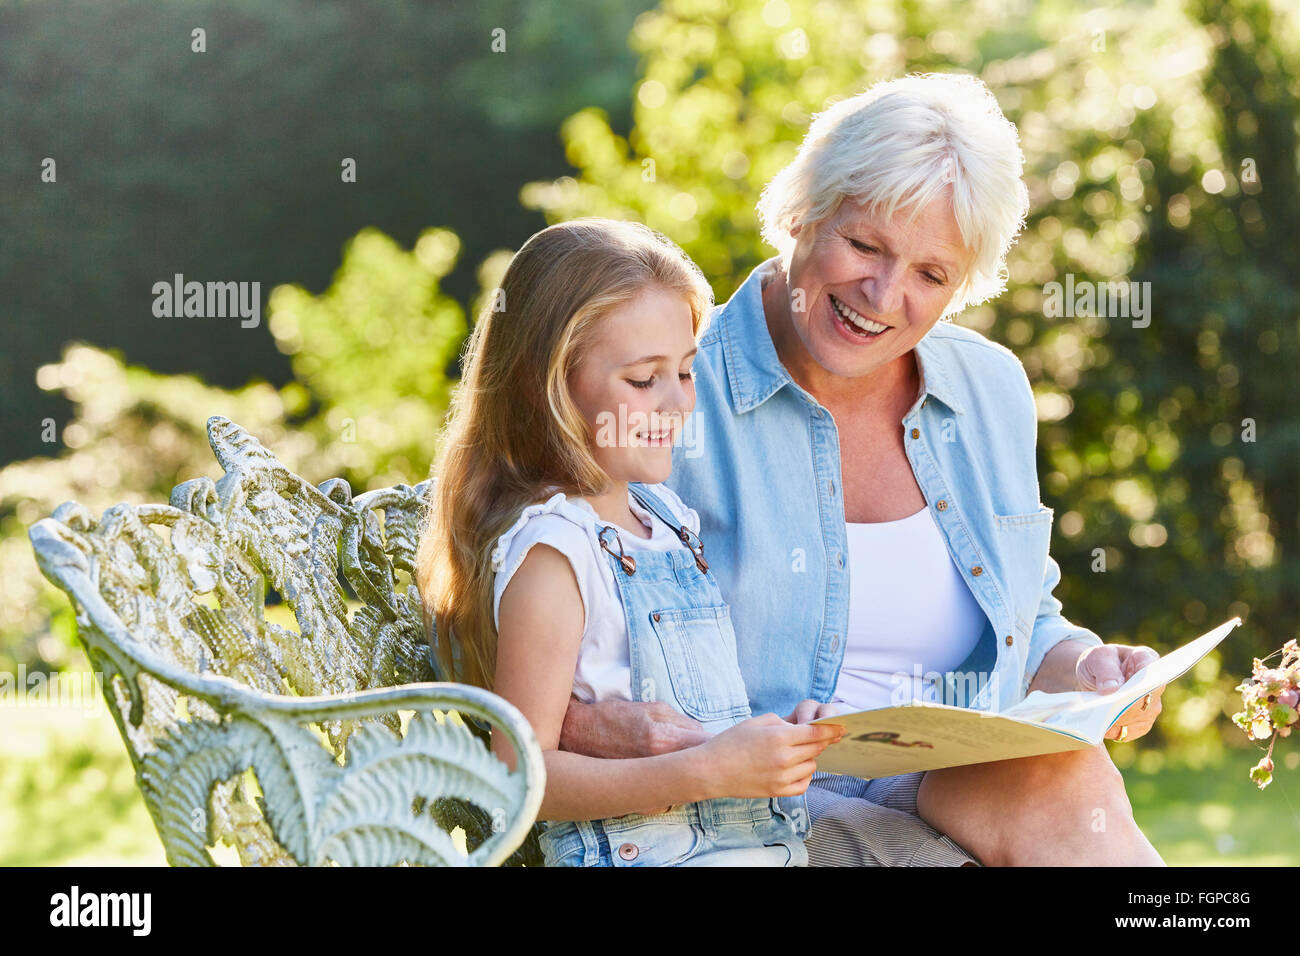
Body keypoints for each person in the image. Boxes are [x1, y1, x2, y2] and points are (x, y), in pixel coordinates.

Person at [559, 73, 1168, 866]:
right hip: (751, 803)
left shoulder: (988, 390)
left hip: (940, 778)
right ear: (805, 210)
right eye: (865, 245)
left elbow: (1028, 618)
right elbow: (530, 592)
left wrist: (1087, 667)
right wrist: (591, 726)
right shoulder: (672, 390)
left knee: (1072, 778)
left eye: (931, 275)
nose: (883, 296)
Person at [415, 218, 842, 866]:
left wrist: (766, 744)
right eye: (644, 381)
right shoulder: (555, 555)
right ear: (551, 386)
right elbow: (518, 774)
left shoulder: (664, 520)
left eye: (686, 373)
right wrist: (706, 773)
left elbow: (676, 721)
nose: (676, 403)